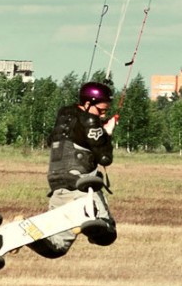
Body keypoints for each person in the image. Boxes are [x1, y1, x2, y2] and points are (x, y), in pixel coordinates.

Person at [27, 82, 118, 259]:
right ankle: (90, 223)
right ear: (87, 103)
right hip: (81, 185)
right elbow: (105, 158)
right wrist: (107, 133)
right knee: (107, 233)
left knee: (56, 247)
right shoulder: (90, 121)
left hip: (57, 184)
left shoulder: (64, 115)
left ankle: (30, 232)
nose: (103, 114)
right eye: (100, 110)